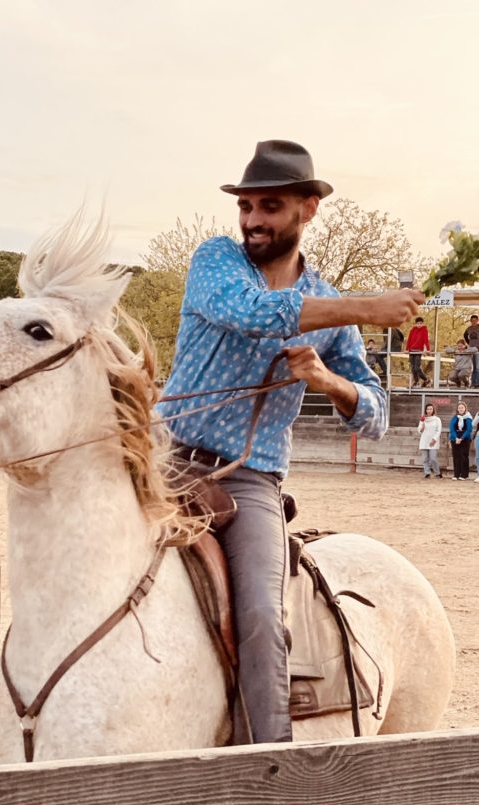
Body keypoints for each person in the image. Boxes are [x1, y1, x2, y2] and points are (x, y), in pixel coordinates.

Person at [161, 139, 421, 744]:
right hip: (164, 457)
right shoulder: (217, 259)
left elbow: (374, 415)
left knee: (261, 616)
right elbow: (250, 310)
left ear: (308, 210)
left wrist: (327, 379)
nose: (252, 220)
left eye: (270, 206)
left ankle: (269, 767)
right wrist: (366, 307)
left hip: (251, 480)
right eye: (246, 206)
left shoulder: (329, 310)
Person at [448, 401, 473, 480]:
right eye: (459, 408)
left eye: (462, 407)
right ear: (457, 409)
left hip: (465, 438)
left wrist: (461, 438)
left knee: (464, 456)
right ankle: (456, 474)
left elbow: (469, 430)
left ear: (465, 408)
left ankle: (464, 475)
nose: (461, 409)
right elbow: (452, 429)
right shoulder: (455, 418)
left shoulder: (468, 418)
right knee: (456, 456)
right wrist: (456, 438)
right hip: (455, 438)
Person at [418, 403, 442, 479]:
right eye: (428, 409)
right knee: (425, 459)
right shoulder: (423, 419)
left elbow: (439, 430)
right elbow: (419, 429)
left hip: (433, 441)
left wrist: (434, 439)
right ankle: (427, 473)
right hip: (424, 440)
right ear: (425, 410)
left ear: (433, 410)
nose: (429, 410)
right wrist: (421, 428)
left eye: (431, 409)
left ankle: (437, 473)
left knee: (433, 458)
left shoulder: (437, 419)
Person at [405, 317, 431, 388]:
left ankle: (426, 379)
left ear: (423, 323)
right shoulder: (413, 330)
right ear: (415, 324)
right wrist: (407, 349)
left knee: (417, 368)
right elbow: (409, 339)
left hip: (419, 351)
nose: (419, 325)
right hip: (411, 350)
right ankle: (416, 382)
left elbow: (426, 340)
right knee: (413, 368)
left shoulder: (424, 330)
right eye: (418, 323)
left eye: (420, 323)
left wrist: (428, 349)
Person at [463, 315, 479, 387]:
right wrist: (468, 342)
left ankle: (476, 383)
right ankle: (474, 383)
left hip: (478, 349)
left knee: (477, 367)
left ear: (477, 320)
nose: (474, 322)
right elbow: (465, 335)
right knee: (474, 366)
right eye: (472, 320)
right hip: (472, 348)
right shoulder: (469, 328)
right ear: (471, 321)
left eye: (475, 320)